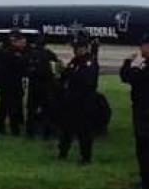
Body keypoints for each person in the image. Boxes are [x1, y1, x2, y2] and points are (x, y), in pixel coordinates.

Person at [120, 34, 149, 189]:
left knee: (147, 151)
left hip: (147, 111)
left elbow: (128, 77)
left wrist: (129, 63)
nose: (141, 49)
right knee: (142, 150)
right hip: (145, 109)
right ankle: (145, 182)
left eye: (144, 45)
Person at [58, 35, 99, 163]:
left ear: (86, 48)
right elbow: (67, 75)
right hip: (71, 100)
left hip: (84, 101)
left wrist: (72, 74)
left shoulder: (90, 62)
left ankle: (86, 157)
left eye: (78, 48)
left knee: (84, 131)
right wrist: (62, 71)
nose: (75, 51)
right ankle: (62, 153)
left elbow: (86, 81)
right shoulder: (75, 61)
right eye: (74, 48)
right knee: (66, 129)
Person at [25, 36, 59, 139]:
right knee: (46, 110)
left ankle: (30, 132)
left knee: (31, 110)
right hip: (45, 85)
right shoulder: (48, 53)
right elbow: (56, 65)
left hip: (33, 85)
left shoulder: (30, 53)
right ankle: (46, 132)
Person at [0, 30, 28, 136]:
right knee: (10, 108)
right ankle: (14, 130)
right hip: (11, 85)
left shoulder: (6, 50)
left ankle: (2, 127)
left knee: (4, 107)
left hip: (8, 84)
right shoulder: (13, 53)